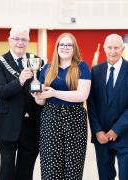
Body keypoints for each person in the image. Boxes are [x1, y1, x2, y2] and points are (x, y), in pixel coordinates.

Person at [33, 33, 91, 180]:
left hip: (75, 119)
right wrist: (37, 97)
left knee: (73, 167)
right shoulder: (46, 69)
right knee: (50, 167)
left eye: (69, 45)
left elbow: (82, 95)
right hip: (50, 119)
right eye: (62, 44)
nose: (65, 47)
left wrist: (54, 93)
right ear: (57, 47)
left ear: (74, 48)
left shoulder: (82, 67)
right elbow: (41, 102)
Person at [0, 27, 42, 180]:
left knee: (26, 171)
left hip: (31, 124)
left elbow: (39, 88)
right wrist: (20, 80)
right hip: (7, 124)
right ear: (9, 40)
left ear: (28, 41)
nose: (20, 42)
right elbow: (1, 92)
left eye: (24, 39)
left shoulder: (37, 60)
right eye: (16, 39)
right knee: (7, 171)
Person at [88, 34, 128, 180]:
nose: (113, 51)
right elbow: (91, 104)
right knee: (105, 177)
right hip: (102, 137)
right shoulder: (96, 71)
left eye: (116, 48)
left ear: (122, 48)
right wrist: (98, 131)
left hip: (125, 136)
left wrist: (116, 130)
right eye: (109, 47)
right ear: (104, 48)